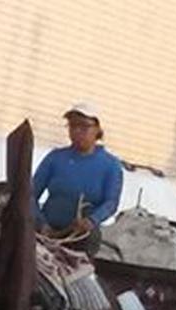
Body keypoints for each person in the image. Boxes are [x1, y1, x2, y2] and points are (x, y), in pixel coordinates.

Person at [31, 102, 124, 256]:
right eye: (72, 126)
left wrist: (91, 221)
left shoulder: (110, 165)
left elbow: (111, 202)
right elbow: (31, 194)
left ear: (97, 130)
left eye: (84, 126)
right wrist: (40, 223)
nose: (77, 131)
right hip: (46, 233)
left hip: (82, 237)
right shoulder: (55, 158)